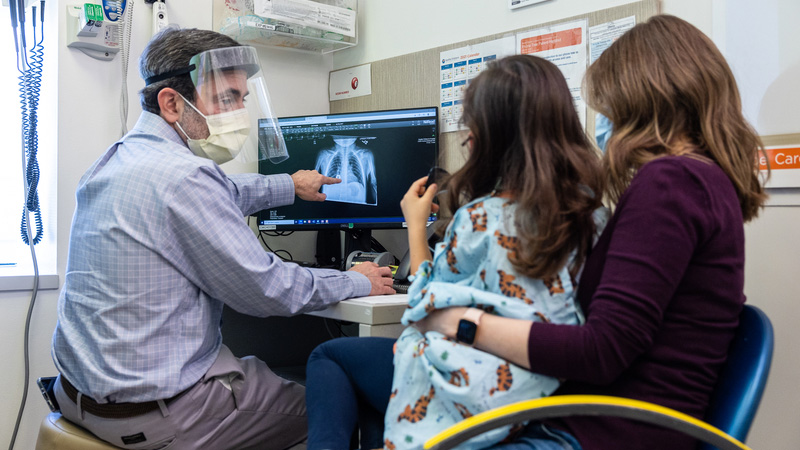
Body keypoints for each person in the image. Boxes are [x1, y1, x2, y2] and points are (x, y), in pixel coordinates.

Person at [305, 14, 769, 450]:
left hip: (594, 430)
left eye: (607, 105)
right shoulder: (697, 184)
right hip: (591, 413)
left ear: (643, 99)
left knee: (375, 371)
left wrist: (461, 323)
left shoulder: (670, 183)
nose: (603, 121)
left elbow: (600, 351)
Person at [50, 28, 394, 450]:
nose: (239, 114)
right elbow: (268, 289)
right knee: (342, 404)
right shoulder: (186, 178)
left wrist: (290, 184)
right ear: (172, 103)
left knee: (272, 367)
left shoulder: (117, 160)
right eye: (227, 99)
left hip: (79, 400)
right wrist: (358, 280)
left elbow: (221, 192)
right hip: (163, 415)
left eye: (242, 100)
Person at [306, 54, 605, 450]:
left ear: (488, 136)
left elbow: (426, 301)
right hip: (535, 390)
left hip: (470, 387)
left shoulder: (479, 217)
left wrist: (415, 226)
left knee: (330, 356)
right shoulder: (593, 215)